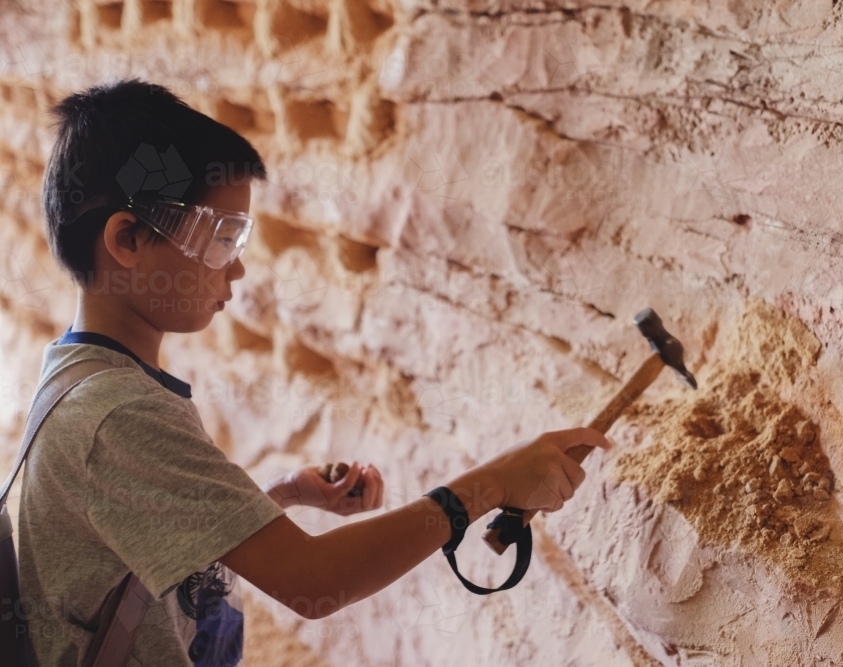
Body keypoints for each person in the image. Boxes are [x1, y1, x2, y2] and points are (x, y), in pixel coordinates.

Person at [19, 77, 612, 665]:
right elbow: (315, 582)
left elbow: (153, 520)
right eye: (223, 237)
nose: (237, 270)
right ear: (127, 238)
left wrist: (282, 495)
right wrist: (494, 483)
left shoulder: (79, 371)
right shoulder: (119, 414)